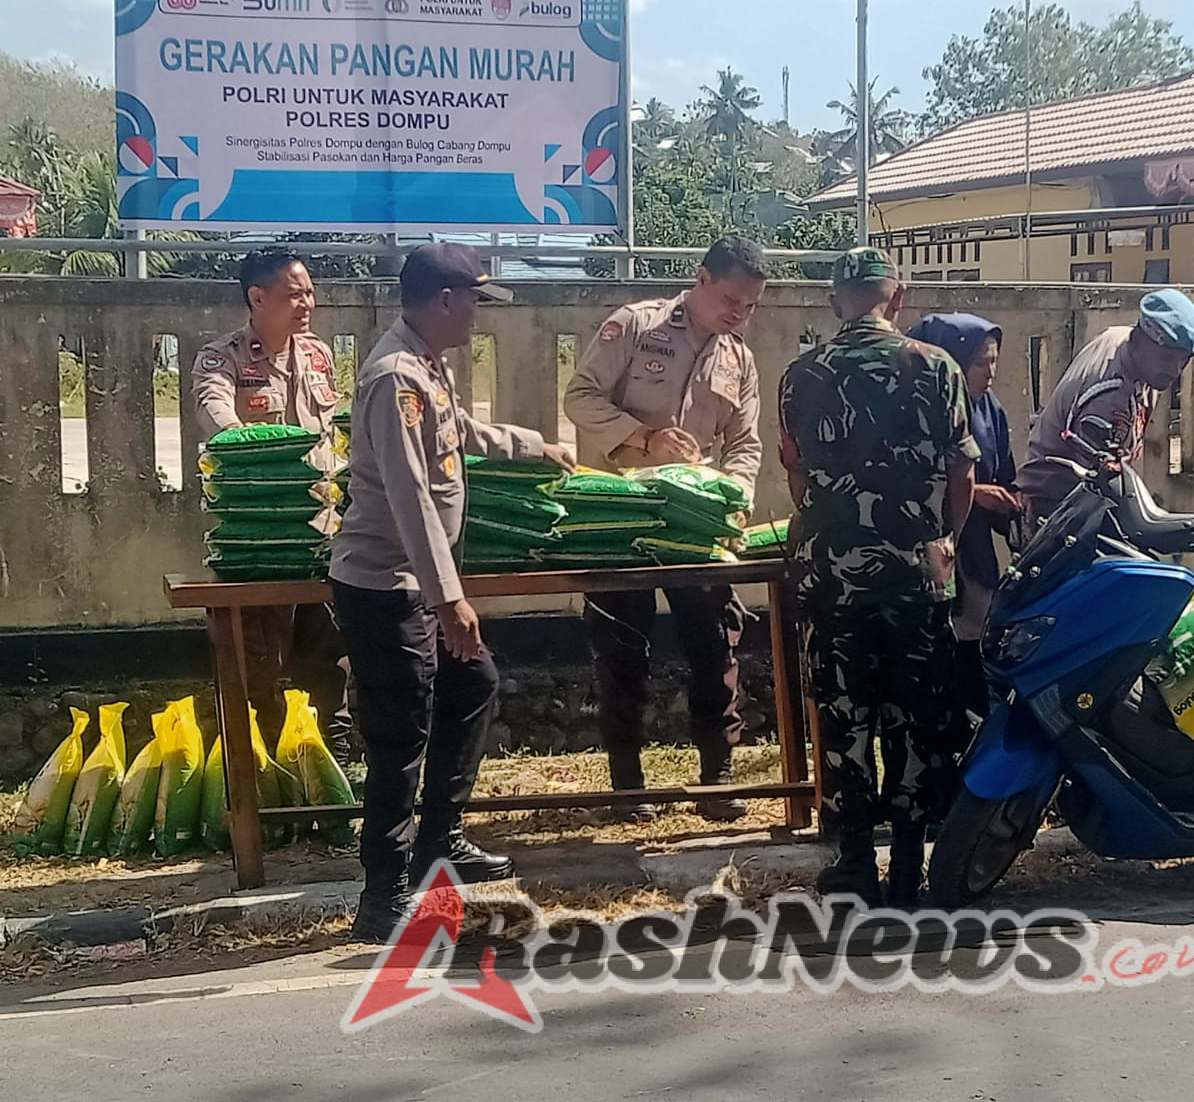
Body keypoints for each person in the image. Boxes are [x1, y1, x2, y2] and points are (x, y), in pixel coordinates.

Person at [329, 242, 575, 942]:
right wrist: (448, 599)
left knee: (472, 686)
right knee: (399, 736)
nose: (477, 314)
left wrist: (532, 444)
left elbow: (456, 435)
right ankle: (382, 897)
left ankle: (441, 842)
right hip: (386, 588)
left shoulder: (425, 368)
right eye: (473, 300)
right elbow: (408, 498)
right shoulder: (394, 379)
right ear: (444, 301)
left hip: (418, 584)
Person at [780, 248, 978, 909]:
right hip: (918, 574)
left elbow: (797, 474)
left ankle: (850, 870)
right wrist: (943, 539)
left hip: (832, 575)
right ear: (897, 298)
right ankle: (909, 872)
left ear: (836, 299)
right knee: (917, 720)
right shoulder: (939, 368)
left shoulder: (800, 376)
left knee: (844, 720)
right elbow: (963, 475)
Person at [564, 235, 766, 822]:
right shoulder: (635, 326)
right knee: (622, 650)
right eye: (732, 299)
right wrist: (644, 440)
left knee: (714, 646)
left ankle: (718, 778)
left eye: (750, 306)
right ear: (702, 279)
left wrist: (736, 501)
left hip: (696, 527)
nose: (739, 314)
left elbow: (745, 445)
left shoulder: (738, 358)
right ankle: (627, 786)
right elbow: (580, 397)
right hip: (622, 518)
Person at [192, 246, 352, 757]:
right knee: (254, 667)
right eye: (293, 293)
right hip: (260, 542)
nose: (306, 302)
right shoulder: (224, 359)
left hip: (321, 536)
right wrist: (259, 455)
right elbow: (216, 416)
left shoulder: (318, 355)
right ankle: (259, 780)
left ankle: (328, 770)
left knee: (327, 661)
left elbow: (333, 429)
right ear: (257, 297)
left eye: (309, 291)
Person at [1015, 288, 1194, 529]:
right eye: (1167, 358)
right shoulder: (1110, 399)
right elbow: (1103, 482)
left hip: (1075, 500)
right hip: (1058, 507)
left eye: (1184, 360)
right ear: (1140, 340)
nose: (1175, 370)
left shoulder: (1120, 340)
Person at [905, 313, 1019, 721]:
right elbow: (917, 480)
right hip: (932, 551)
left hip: (975, 552)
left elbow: (1005, 471)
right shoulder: (920, 410)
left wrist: (1011, 504)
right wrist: (974, 494)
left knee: (977, 641)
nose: (990, 373)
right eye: (979, 363)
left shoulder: (990, 410)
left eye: (994, 362)